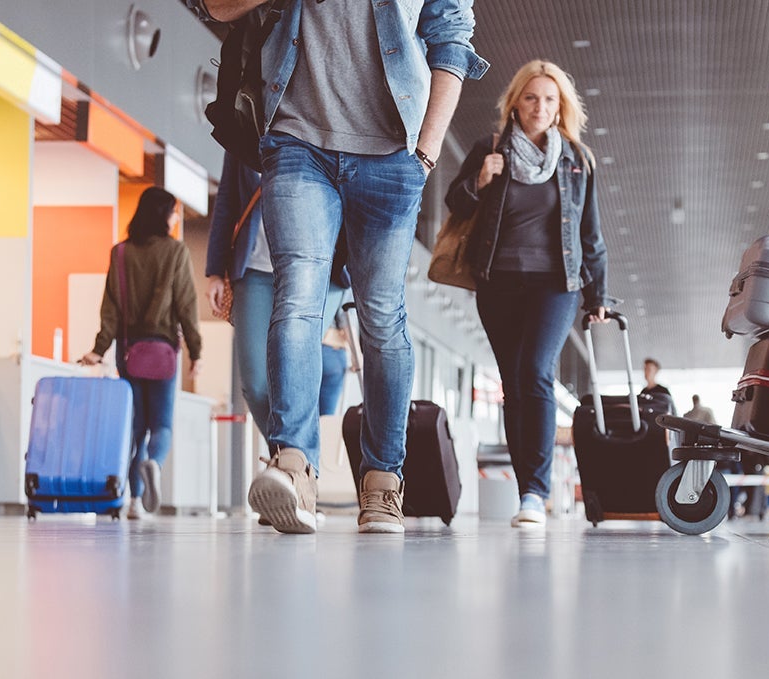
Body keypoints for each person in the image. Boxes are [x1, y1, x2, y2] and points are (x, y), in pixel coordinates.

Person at [189, 0, 488, 535]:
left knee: (381, 318)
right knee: (298, 295)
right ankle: (295, 466)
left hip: (394, 152)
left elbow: (452, 36)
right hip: (296, 141)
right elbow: (212, 6)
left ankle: (382, 482)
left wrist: (427, 149)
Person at [446, 59, 613, 528]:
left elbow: (589, 231)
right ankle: (527, 492)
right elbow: (454, 204)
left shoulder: (577, 159)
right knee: (514, 387)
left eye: (550, 99)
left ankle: (536, 494)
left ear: (561, 107)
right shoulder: (489, 148)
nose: (540, 107)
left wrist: (598, 292)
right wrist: (480, 180)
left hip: (556, 284)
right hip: (497, 281)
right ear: (515, 103)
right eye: (531, 97)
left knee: (537, 373)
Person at [204, 152, 346, 443]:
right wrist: (215, 270)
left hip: (316, 269)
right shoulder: (246, 123)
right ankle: (287, 456)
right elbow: (227, 199)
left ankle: (295, 463)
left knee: (291, 370)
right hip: (256, 268)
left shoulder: (323, 118)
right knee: (256, 384)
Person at [79, 187, 202, 520]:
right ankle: (155, 463)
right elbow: (187, 305)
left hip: (129, 352)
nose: (177, 218)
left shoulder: (120, 253)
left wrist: (99, 348)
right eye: (174, 212)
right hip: (162, 350)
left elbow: (110, 309)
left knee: (135, 428)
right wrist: (196, 350)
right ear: (163, 214)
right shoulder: (176, 252)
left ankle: (134, 501)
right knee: (161, 425)